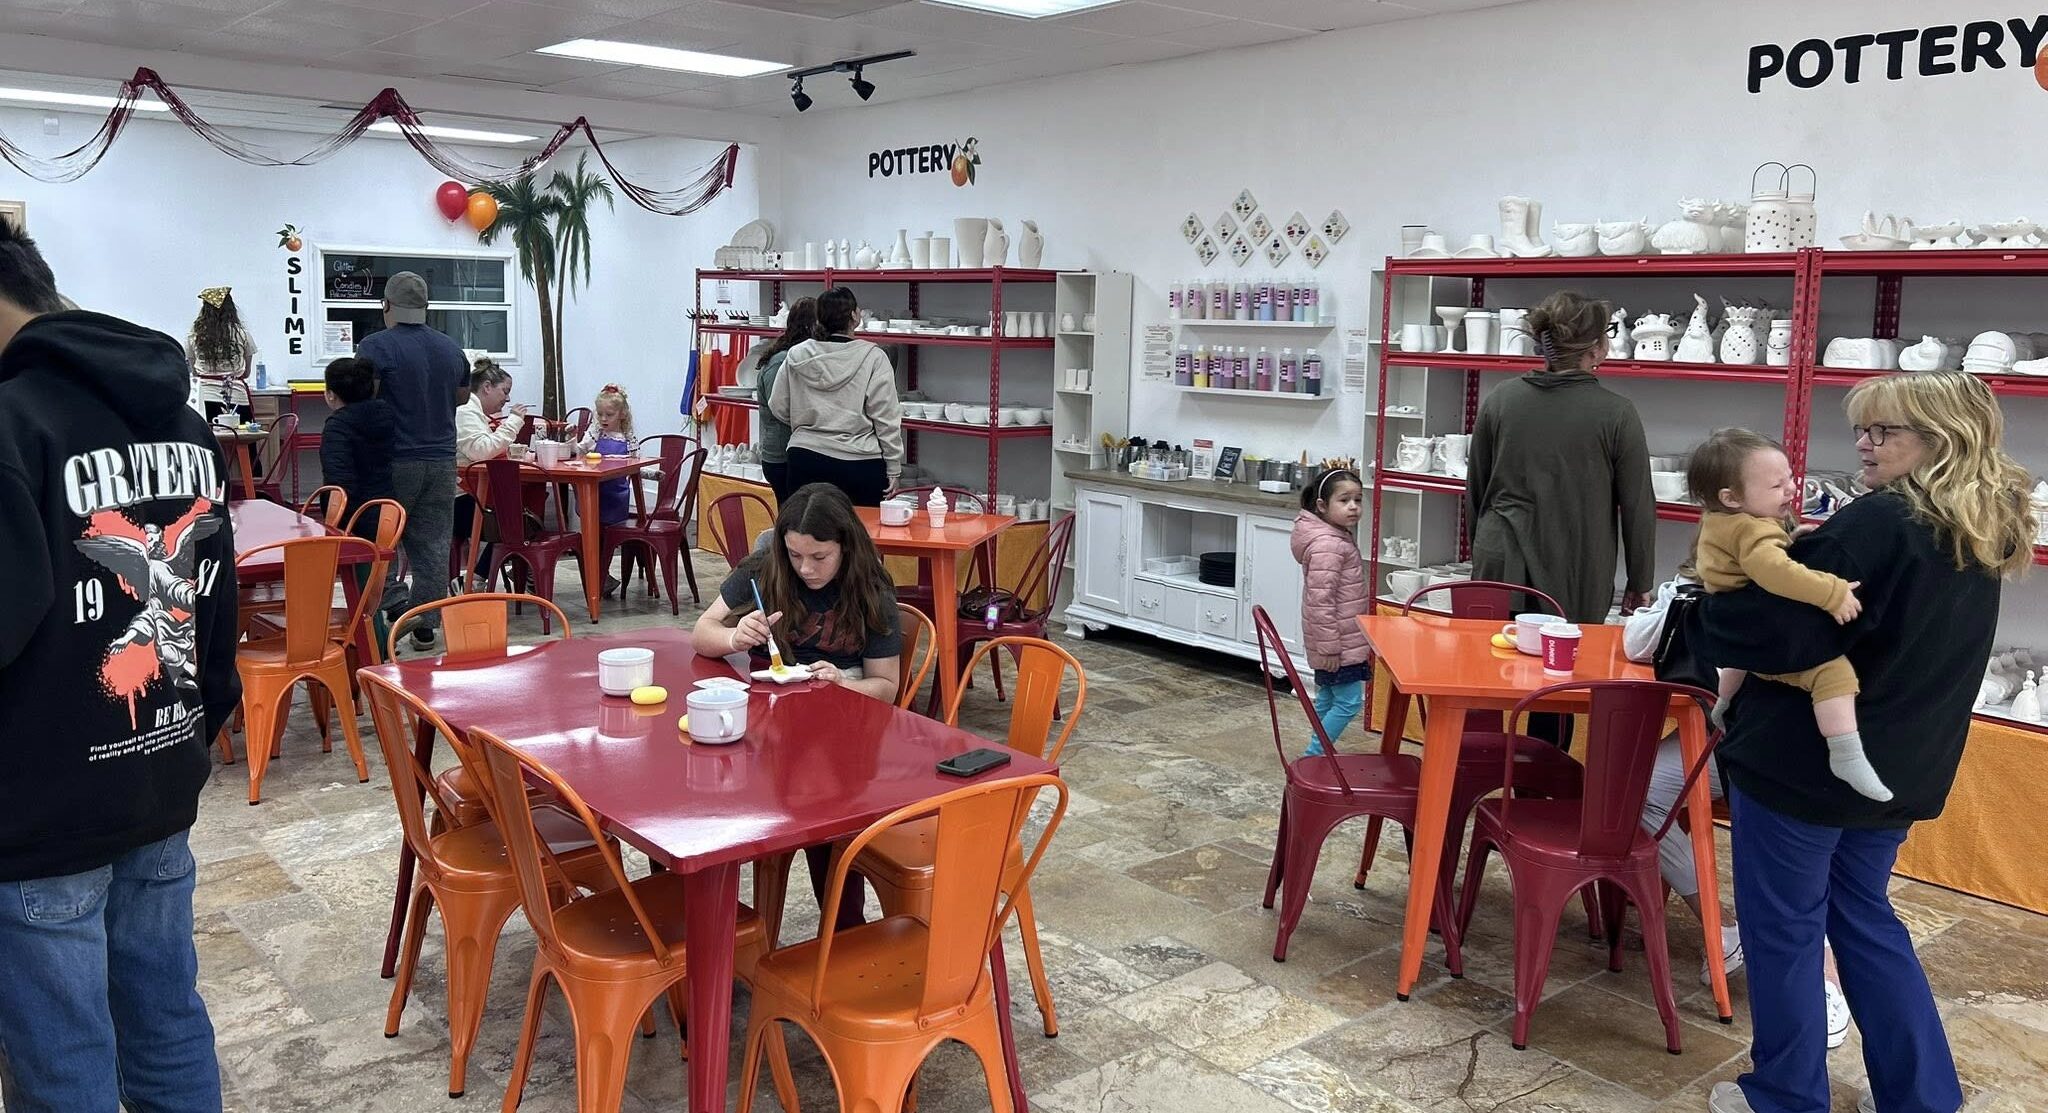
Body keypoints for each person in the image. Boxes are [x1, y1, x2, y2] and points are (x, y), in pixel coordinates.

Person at [1696, 371, 2034, 1113]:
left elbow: (1773, 633)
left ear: (1941, 438)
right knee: (1865, 920)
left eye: (1884, 430)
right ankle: (1923, 1098)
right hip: (1898, 768)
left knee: (1784, 931)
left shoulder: (1880, 521)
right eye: (1862, 428)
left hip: (1802, 769)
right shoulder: (1981, 526)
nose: (1864, 443)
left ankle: (1785, 1096)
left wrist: (1713, 601)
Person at [0, 217, 239, 1111]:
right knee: (167, 1023)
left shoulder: (11, 425)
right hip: (158, 781)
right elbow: (216, 609)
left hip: (40, 816)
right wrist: (194, 734)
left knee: (64, 1064)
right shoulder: (186, 425)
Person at [1622, 562, 1853, 1050]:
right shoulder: (1715, 587)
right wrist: (1684, 591)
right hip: (1729, 742)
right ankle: (1722, 928)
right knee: (1635, 790)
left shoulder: (1795, 586)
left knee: (1795, 854)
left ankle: (1826, 979)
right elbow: (1638, 643)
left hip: (1793, 749)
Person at [691, 483, 902, 930]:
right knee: (710, 798)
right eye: (795, 555)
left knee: (831, 813)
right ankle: (720, 929)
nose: (805, 568)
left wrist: (843, 682)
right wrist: (734, 637)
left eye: (819, 557)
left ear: (845, 547)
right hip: (769, 725)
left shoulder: (871, 590)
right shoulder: (765, 570)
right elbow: (702, 632)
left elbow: (886, 686)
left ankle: (844, 931)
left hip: (841, 730)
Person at [1467, 290, 1655, 748]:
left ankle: (1475, 769)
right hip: (1574, 560)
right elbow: (1637, 504)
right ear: (1597, 347)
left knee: (1479, 678)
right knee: (1557, 684)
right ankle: (1540, 778)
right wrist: (1640, 581)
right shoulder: (1616, 413)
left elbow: (1476, 490)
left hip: (1499, 558)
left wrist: (1480, 557)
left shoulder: (1500, 400)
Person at [1687, 428, 1886, 801]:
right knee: (1834, 673)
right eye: (1777, 486)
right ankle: (1846, 753)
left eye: (1790, 478)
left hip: (1735, 618)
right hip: (1761, 625)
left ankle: (1722, 705)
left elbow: (1747, 559)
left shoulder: (1723, 518)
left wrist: (1788, 543)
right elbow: (1773, 572)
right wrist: (1831, 592)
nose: (1792, 490)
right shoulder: (1753, 529)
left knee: (1740, 661)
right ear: (1731, 497)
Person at [358, 270, 468, 650]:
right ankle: (425, 623)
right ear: (426, 306)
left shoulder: (375, 346)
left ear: (386, 305)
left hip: (394, 459)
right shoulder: (451, 348)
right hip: (442, 460)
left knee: (378, 539)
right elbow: (461, 397)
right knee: (433, 545)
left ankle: (394, 604)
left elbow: (366, 396)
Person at [768, 287, 904, 506]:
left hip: (805, 457)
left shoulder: (797, 354)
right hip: (859, 461)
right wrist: (894, 467)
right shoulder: (873, 357)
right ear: (854, 316)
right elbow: (886, 417)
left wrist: (807, 424)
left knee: (809, 525)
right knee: (860, 527)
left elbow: (777, 405)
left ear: (820, 319)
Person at [1291, 467, 1368, 757]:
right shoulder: (1329, 544)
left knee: (1327, 697)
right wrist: (1330, 648)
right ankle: (1314, 755)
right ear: (1322, 506)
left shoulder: (1334, 536)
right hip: (1338, 643)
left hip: (1333, 639)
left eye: (1358, 500)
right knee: (1349, 702)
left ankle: (1316, 754)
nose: (1353, 507)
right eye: (1344, 500)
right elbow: (1320, 601)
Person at [318, 356, 395, 538]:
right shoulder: (385, 413)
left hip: (353, 518)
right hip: (387, 509)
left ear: (331, 394)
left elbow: (338, 481)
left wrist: (333, 521)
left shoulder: (338, 426)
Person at [752, 297, 818, 501]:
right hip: (782, 455)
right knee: (793, 511)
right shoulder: (781, 361)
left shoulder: (799, 357)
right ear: (811, 326)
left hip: (797, 450)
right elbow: (779, 407)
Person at [186, 285, 255, 422]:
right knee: (241, 434)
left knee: (209, 435)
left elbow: (194, 371)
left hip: (205, 397)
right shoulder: (242, 334)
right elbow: (246, 373)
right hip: (237, 396)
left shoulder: (194, 336)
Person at [572, 382, 636, 527]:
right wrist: (572, 437)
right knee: (592, 526)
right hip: (594, 491)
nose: (603, 419)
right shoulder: (595, 435)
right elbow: (579, 452)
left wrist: (653, 474)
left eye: (609, 415)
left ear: (622, 414)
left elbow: (636, 466)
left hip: (617, 495)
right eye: (600, 414)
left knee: (613, 530)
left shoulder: (628, 440)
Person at [454, 358, 527, 468]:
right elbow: (481, 451)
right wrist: (513, 423)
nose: (508, 399)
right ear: (487, 387)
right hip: (465, 478)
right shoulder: (465, 410)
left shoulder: (472, 409)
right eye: (505, 391)